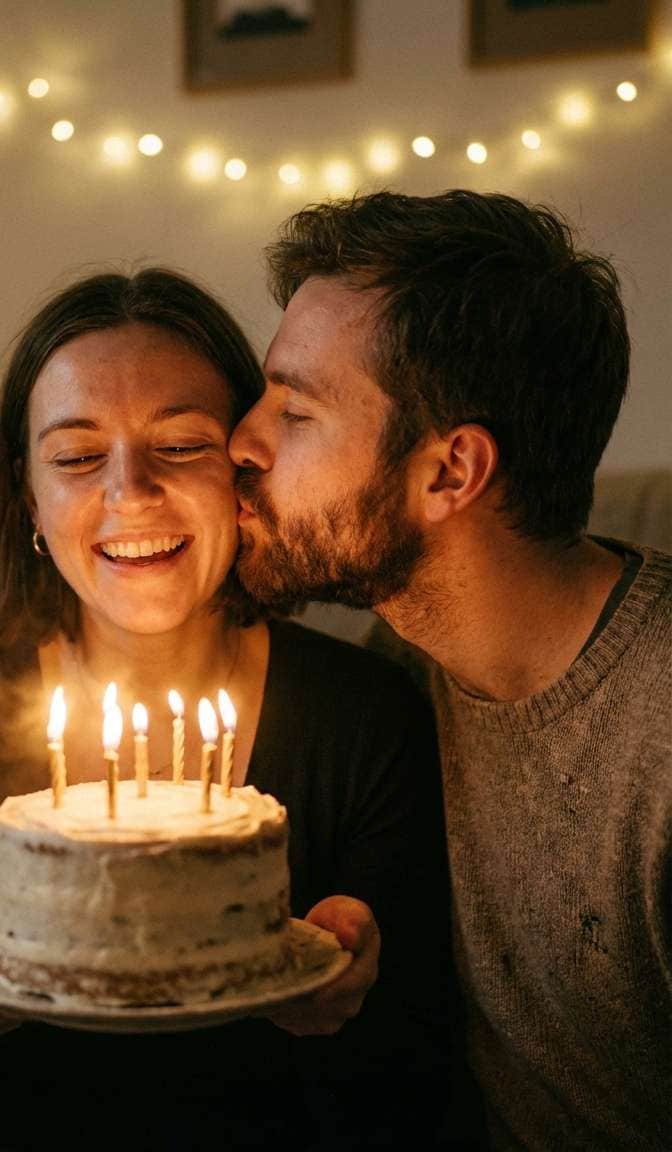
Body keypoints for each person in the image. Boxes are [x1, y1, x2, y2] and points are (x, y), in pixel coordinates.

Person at [0, 268, 464, 1152]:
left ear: (245, 469)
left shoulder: (365, 718)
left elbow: (421, 1099)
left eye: (181, 444)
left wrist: (346, 1012)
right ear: (28, 499)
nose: (130, 492)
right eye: (78, 456)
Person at [229, 189, 672, 1151]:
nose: (241, 443)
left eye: (294, 411)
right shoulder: (398, 673)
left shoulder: (660, 734)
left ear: (450, 473)